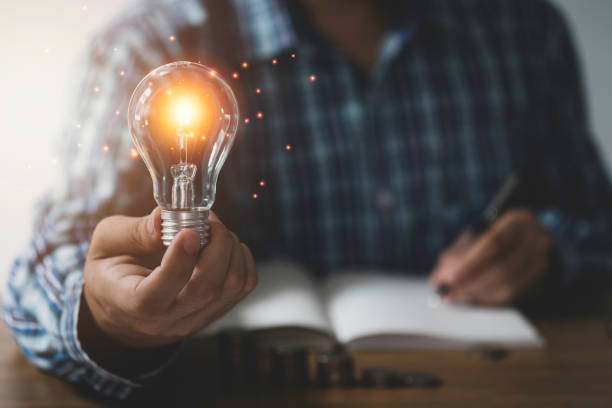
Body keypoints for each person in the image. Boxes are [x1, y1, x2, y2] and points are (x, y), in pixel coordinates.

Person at [3, 0, 612, 400]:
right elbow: (46, 261)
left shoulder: (521, 31)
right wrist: (108, 322)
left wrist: (551, 245)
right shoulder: (150, 46)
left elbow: (598, 217)